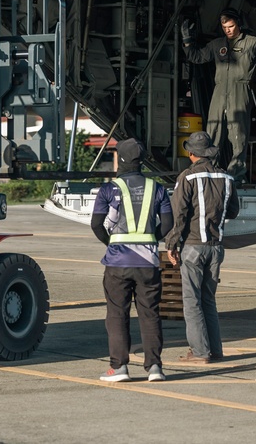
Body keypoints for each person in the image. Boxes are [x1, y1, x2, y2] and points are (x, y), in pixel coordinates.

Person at [90, 138, 174, 383]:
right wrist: (151, 239)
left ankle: (119, 368)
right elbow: (167, 224)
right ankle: (155, 367)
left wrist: (112, 241)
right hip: (148, 262)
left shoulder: (109, 189)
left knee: (117, 314)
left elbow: (96, 224)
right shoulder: (156, 188)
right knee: (150, 314)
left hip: (117, 262)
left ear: (121, 159)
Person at [180, 8, 256, 183]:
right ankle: (209, 171)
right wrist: (187, 40)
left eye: (231, 26)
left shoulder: (251, 42)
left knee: (238, 134)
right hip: (219, 91)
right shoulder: (217, 44)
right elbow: (197, 57)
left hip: (240, 90)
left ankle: (236, 175)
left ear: (238, 24)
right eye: (224, 26)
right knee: (213, 130)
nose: (228, 30)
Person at [166, 131, 239, 364]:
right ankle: (215, 350)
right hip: (216, 247)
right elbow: (234, 211)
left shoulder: (187, 177)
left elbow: (179, 214)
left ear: (190, 153)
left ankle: (199, 352)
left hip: (193, 245)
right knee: (208, 300)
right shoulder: (227, 178)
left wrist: (171, 243)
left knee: (192, 301)